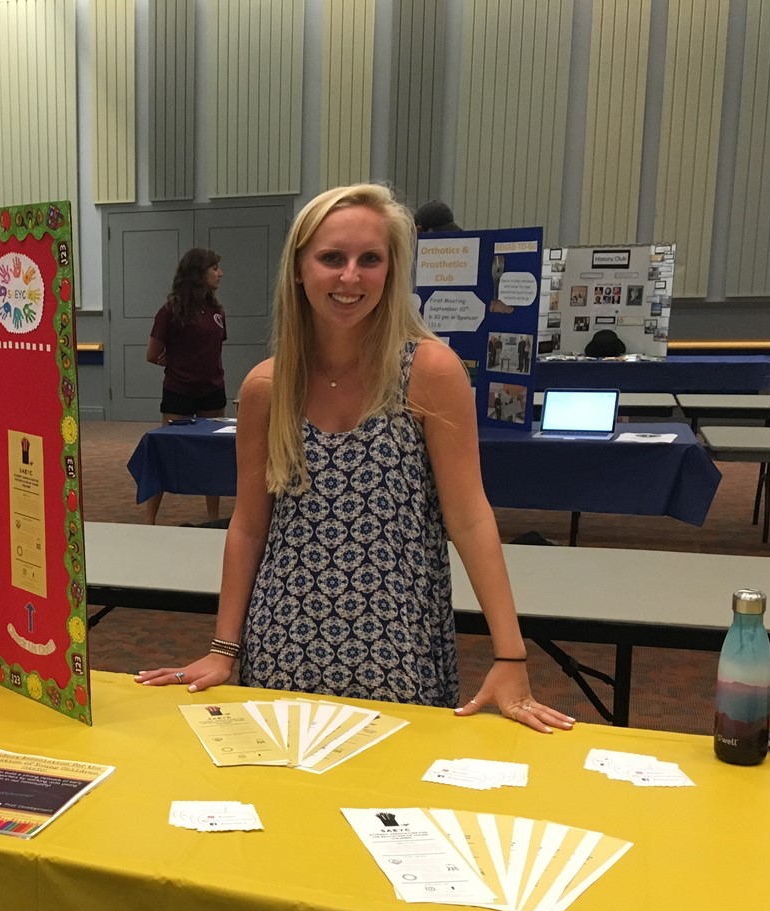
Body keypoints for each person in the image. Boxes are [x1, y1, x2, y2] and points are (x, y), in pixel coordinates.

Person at [135, 183, 572, 733]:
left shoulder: (429, 373)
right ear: (299, 269)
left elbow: (469, 516)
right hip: (284, 644)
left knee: (392, 810)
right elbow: (249, 525)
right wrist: (224, 648)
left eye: (370, 259)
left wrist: (510, 656)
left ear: (391, 271)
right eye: (331, 258)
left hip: (398, 645)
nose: (350, 277)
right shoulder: (268, 387)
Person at [144, 247, 227, 523]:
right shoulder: (170, 311)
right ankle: (149, 520)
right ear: (198, 273)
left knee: (213, 455)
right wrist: (177, 364)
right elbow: (152, 354)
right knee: (166, 452)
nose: (220, 274)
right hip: (179, 391)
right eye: (214, 268)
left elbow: (213, 350)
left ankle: (213, 517)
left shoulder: (217, 311)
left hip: (212, 390)